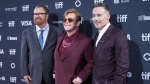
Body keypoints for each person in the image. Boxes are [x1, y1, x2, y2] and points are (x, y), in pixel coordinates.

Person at [20, 5, 63, 84]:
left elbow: (61, 55)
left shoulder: (58, 32)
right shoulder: (26, 32)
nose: (37, 16)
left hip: (51, 75)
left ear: (47, 16)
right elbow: (24, 54)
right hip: (34, 74)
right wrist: (25, 72)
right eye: (35, 14)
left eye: (40, 14)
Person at [92, 3, 129, 84]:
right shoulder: (97, 35)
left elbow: (123, 65)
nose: (95, 18)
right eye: (93, 15)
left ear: (108, 16)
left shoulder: (118, 35)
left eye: (99, 15)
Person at [53, 8, 93, 84]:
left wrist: (81, 77)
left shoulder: (86, 41)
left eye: (70, 20)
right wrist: (54, 70)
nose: (67, 22)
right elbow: (57, 58)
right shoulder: (60, 37)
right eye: (65, 20)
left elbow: (91, 62)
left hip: (73, 82)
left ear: (78, 23)